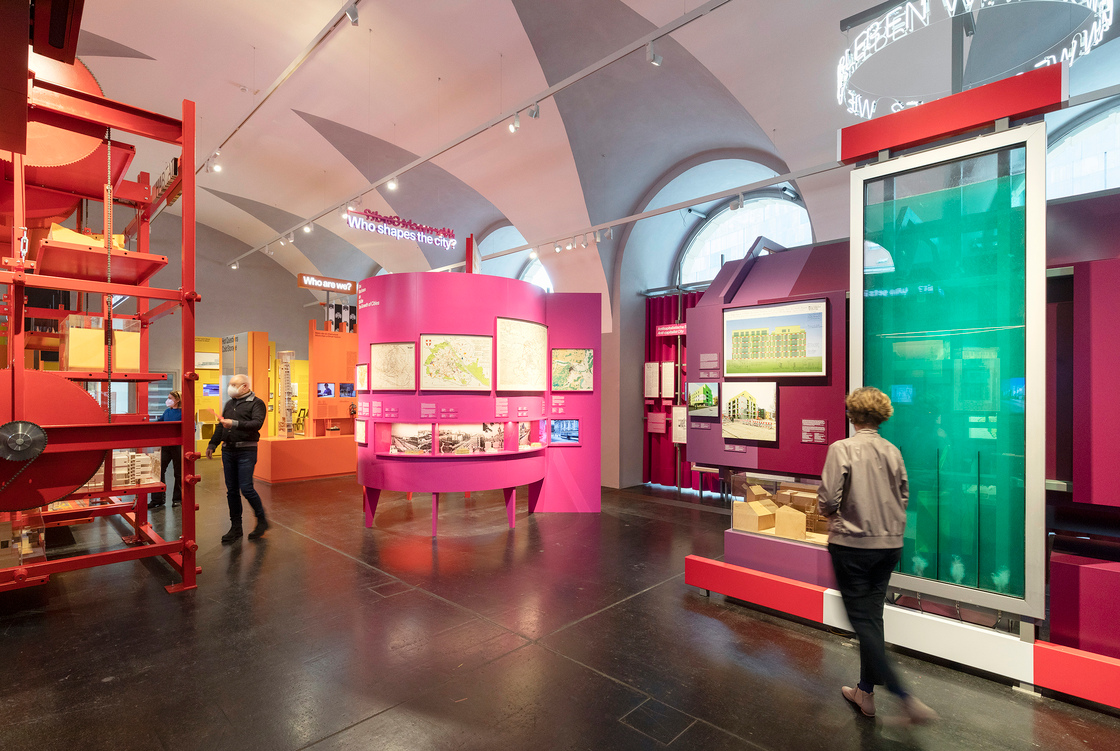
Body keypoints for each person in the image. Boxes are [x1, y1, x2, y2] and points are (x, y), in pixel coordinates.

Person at [817, 387, 937, 725]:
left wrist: (837, 517)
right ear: (882, 416)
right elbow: (904, 495)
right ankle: (865, 692)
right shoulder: (892, 451)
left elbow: (827, 500)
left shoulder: (842, 449)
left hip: (852, 546)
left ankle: (904, 697)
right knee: (872, 618)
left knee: (862, 623)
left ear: (851, 414)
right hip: (889, 547)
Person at [206, 374, 269, 542]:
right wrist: (212, 444)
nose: (230, 387)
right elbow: (221, 426)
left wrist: (234, 423)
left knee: (246, 488)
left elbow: (257, 424)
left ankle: (262, 520)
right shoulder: (229, 403)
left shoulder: (257, 403)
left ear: (245, 386)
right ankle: (236, 527)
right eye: (230, 384)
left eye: (234, 384)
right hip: (228, 451)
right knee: (232, 491)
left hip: (246, 451)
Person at [150, 391, 183, 508]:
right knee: (159, 470)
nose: (168, 400)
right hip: (166, 445)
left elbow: (191, 428)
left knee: (178, 473)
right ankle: (157, 499)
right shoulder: (167, 412)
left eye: (170, 398)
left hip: (178, 446)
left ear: (177, 400)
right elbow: (159, 422)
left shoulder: (184, 413)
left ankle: (178, 499)